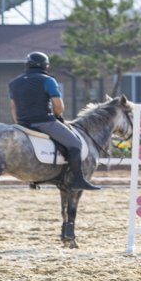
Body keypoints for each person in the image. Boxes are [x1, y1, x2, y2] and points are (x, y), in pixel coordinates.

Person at [8, 52, 100, 191]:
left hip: (22, 124)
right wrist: (57, 116)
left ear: (27, 65)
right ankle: (78, 180)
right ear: (46, 66)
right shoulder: (48, 80)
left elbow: (13, 106)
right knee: (75, 144)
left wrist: (19, 123)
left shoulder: (14, 83)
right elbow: (58, 106)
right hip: (43, 121)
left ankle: (36, 178)